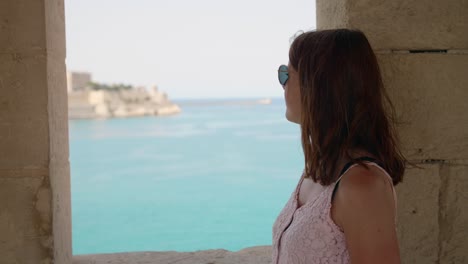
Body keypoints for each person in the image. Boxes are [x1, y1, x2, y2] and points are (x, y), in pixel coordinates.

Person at [272, 29, 409, 264]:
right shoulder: (318, 169)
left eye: (286, 74)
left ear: (316, 86)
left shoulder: (362, 186)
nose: (282, 85)